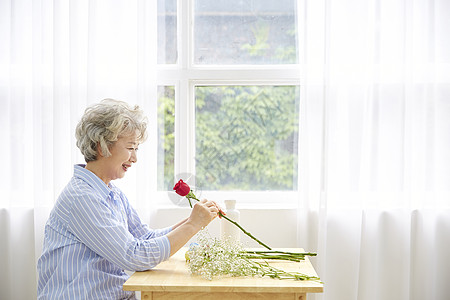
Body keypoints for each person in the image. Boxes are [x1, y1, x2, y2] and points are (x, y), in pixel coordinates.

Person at [37, 99, 223, 299]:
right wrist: (193, 225)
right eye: (131, 147)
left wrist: (193, 221)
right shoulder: (82, 197)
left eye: (136, 149)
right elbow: (133, 255)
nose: (134, 158)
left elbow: (144, 238)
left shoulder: (110, 193)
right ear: (102, 146)